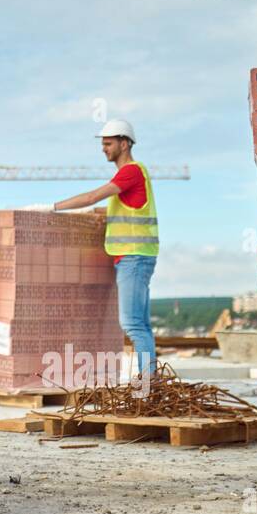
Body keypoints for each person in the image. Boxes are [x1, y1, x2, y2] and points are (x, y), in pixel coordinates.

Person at [44, 120, 159, 378]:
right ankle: (152, 383)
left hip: (134, 257)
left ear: (124, 143)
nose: (104, 149)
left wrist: (51, 207)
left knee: (131, 323)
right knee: (141, 324)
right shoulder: (130, 176)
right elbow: (110, 208)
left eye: (108, 143)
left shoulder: (131, 172)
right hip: (134, 257)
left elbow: (92, 196)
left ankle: (149, 385)